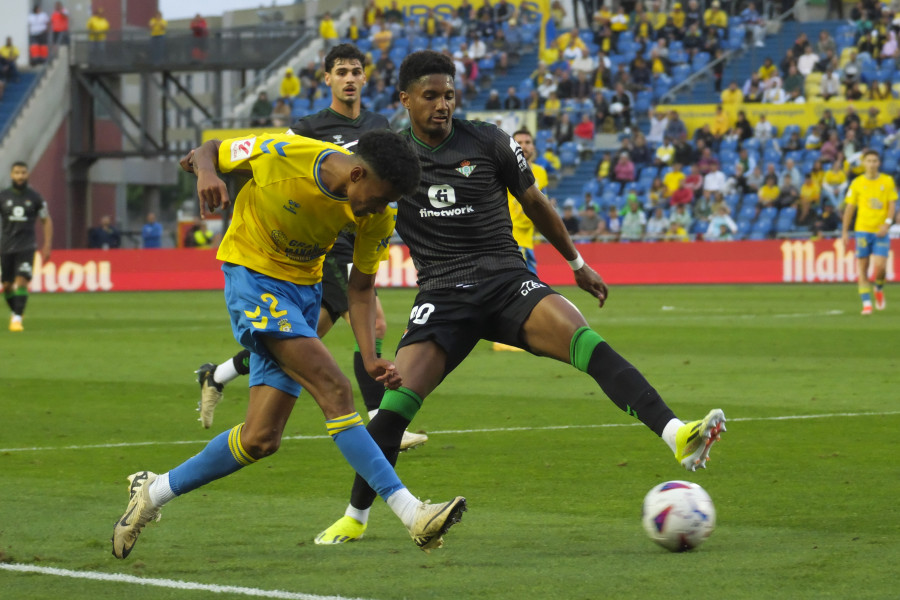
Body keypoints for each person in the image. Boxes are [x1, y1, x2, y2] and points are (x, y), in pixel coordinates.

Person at [314, 50, 726, 546]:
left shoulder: (488, 139)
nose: (442, 104)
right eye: (430, 96)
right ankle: (355, 518)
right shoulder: (393, 160)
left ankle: (677, 433)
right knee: (395, 409)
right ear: (404, 100)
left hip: (507, 281)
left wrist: (576, 263)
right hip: (443, 294)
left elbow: (534, 201)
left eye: (448, 95)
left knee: (586, 341)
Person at [110, 128, 467, 560]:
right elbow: (206, 152)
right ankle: (413, 514)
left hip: (302, 293)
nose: (380, 208)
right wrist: (207, 171)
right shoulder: (283, 153)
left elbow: (360, 288)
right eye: (378, 196)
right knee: (335, 390)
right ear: (356, 173)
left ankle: (153, 491)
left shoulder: (377, 216)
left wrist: (370, 356)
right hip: (252, 280)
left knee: (261, 439)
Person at [194, 45, 428, 451]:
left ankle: (220, 373)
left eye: (356, 71)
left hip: (359, 241)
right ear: (328, 79)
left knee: (312, 338)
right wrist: (211, 171)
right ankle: (379, 422)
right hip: (323, 247)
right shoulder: (307, 129)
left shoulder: (378, 128)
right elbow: (267, 164)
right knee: (331, 337)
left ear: (365, 78)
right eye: (341, 72)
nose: (350, 78)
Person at [841, 150, 898, 315]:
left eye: (875, 161)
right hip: (862, 230)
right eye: (869, 161)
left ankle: (878, 288)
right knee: (863, 267)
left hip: (880, 230)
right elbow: (849, 208)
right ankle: (866, 304)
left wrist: (887, 224)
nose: (872, 164)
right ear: (863, 163)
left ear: (879, 163)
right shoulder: (857, 183)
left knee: (880, 267)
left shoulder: (887, 181)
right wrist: (845, 231)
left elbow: (892, 204)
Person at [0, 161, 52, 332]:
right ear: (11, 175)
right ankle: (17, 311)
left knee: (21, 281)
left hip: (26, 246)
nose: (20, 176)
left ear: (27, 174)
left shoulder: (35, 197)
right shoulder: (3, 196)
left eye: (23, 172)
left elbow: (46, 220)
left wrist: (47, 244)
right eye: (17, 173)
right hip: (6, 246)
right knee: (7, 286)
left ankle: (16, 319)